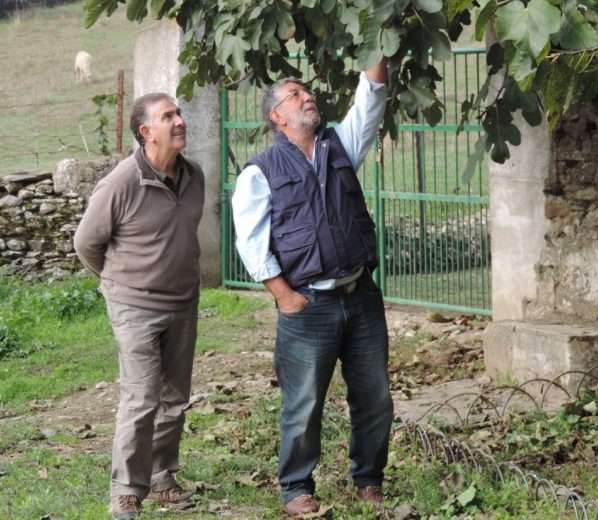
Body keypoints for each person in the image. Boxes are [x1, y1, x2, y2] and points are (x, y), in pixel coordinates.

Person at [232, 59, 393, 517]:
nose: (308, 97)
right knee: (303, 402)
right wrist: (285, 296)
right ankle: (296, 488)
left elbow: (370, 101)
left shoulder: (340, 146)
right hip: (308, 306)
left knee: (375, 396)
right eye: (295, 95)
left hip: (360, 296)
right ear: (277, 116)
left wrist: (379, 41)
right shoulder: (260, 172)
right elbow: (251, 241)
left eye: (307, 92)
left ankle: (369, 480)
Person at [74, 92, 205, 520]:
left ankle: (163, 477)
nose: (179, 121)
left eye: (178, 113)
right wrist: (121, 284)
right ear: (146, 132)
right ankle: (126, 490)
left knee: (174, 397)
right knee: (142, 396)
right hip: (134, 307)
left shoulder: (194, 175)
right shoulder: (122, 182)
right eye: (168, 116)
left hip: (183, 302)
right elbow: (86, 243)